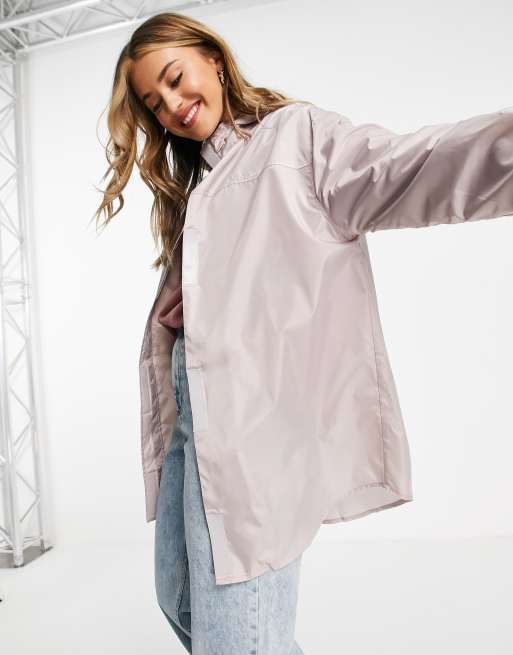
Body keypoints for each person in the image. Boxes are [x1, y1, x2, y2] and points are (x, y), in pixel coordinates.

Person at [93, 11, 513, 655]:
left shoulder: (295, 141)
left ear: (213, 59)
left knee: (236, 639)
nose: (172, 106)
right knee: (179, 597)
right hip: (191, 425)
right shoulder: (201, 183)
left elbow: (410, 166)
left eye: (175, 79)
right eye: (154, 103)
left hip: (252, 429)